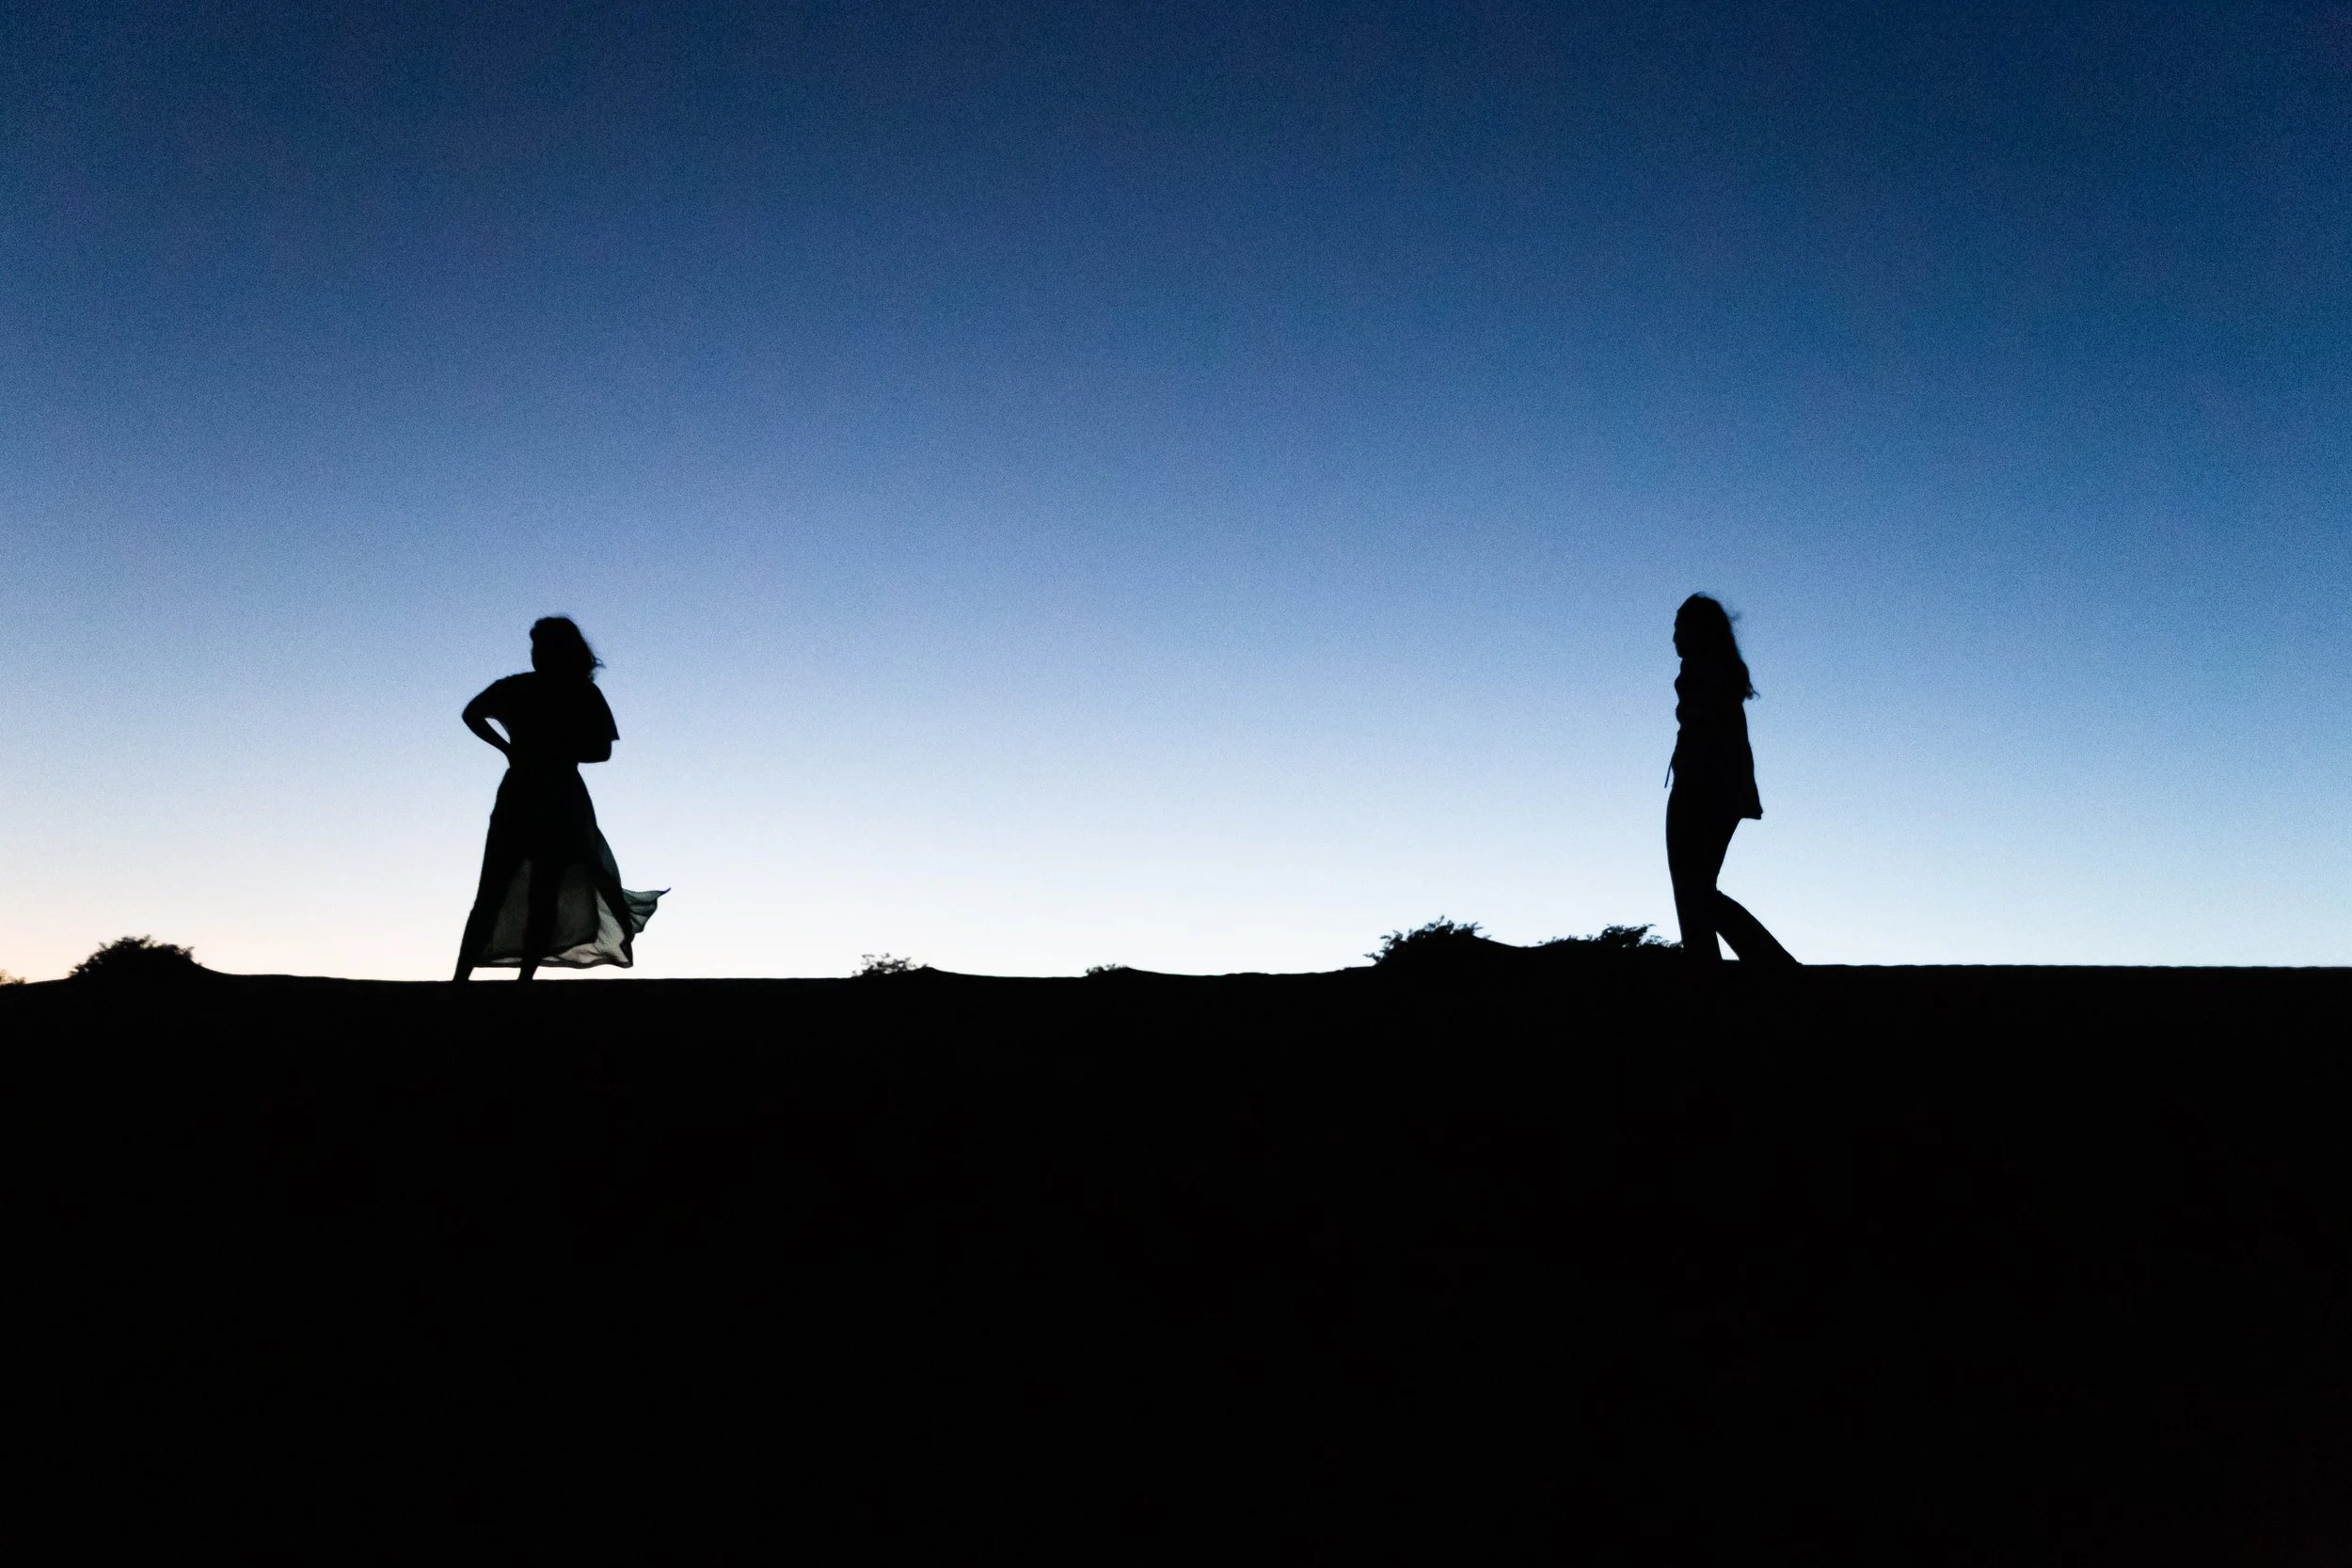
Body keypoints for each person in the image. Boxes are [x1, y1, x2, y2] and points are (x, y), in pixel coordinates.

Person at [453, 618, 661, 980]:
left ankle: (476, 980)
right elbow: (601, 751)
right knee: (512, 892)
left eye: (543, 647)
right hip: (540, 795)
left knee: (519, 892)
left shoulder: (550, 690)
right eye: (535, 647)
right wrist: (514, 749)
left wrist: (521, 749)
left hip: (550, 797)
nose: (536, 654)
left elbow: (601, 751)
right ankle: (480, 980)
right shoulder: (559, 690)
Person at [1666, 594, 1795, 963]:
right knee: (1697, 888)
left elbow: (1711, 735)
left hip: (1702, 789)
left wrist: (1697, 780)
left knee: (1693, 889)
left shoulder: (1704, 672)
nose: (1674, 637)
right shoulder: (1716, 671)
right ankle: (1741, 961)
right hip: (1718, 790)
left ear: (1697, 631)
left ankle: (1764, 962)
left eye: (1679, 628)